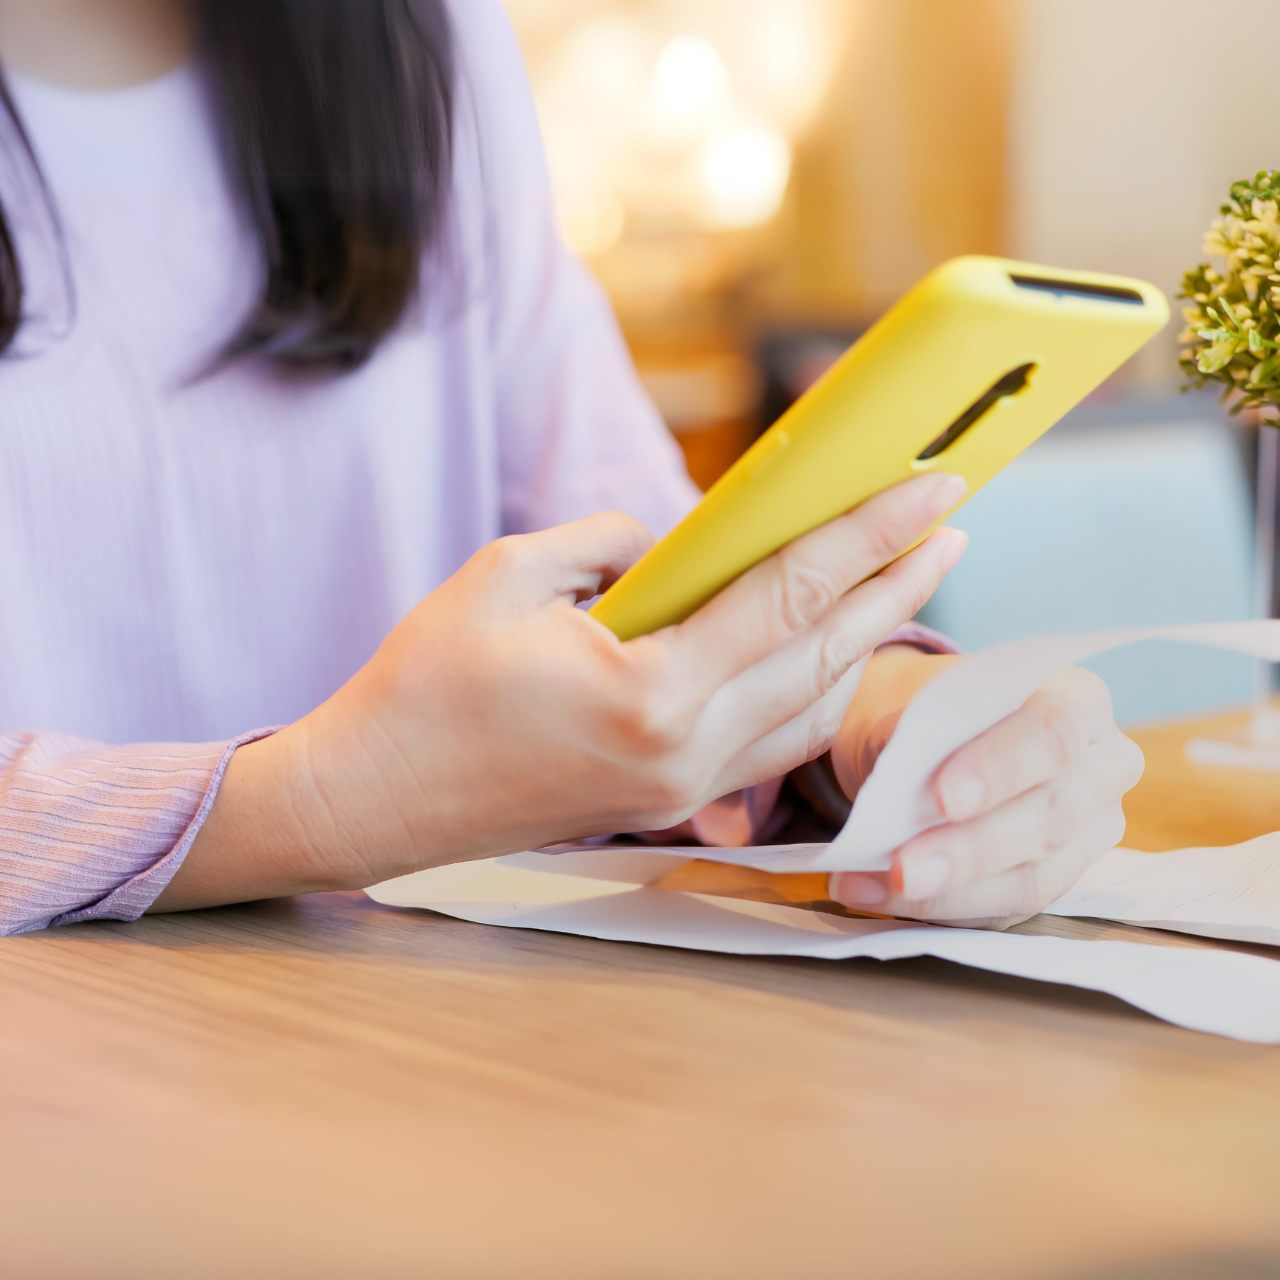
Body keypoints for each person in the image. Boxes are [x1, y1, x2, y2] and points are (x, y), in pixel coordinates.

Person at [0, 0, 1142, 938]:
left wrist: (858, 713)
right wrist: (329, 797)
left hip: (437, 1054)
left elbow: (640, 583)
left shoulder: (429, 41)